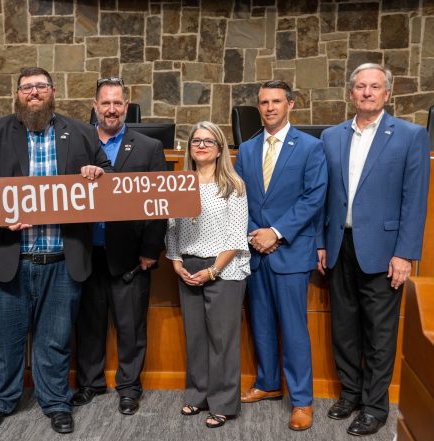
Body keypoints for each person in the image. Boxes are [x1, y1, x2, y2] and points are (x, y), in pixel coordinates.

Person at [0, 67, 111, 434]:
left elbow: (110, 182)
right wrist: (2, 218)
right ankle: (0, 401)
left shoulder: (80, 132)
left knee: (55, 339)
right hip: (8, 259)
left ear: (53, 91)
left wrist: (98, 173)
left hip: (63, 260)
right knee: (2, 340)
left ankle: (56, 402)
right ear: (17, 94)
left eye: (40, 87)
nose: (34, 93)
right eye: (27, 87)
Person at [317, 63, 430, 436]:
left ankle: (375, 406)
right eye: (361, 87)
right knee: (344, 328)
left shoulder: (411, 135)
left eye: (375, 87)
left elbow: (415, 200)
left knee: (380, 334)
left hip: (384, 250)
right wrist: (320, 242)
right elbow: (324, 197)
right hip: (339, 245)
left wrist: (404, 253)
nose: (367, 92)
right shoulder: (331, 137)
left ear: (387, 93)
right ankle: (350, 394)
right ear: (351, 94)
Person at [234, 80, 327, 431]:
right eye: (263, 102)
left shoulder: (310, 147)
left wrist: (275, 232)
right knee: (260, 323)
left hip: (290, 251)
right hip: (255, 251)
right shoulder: (246, 148)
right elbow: (239, 198)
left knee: (293, 328)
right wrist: (256, 232)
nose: (269, 107)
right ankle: (268, 382)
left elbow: (313, 198)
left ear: (290, 104)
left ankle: (302, 400)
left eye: (276, 101)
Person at [72, 77, 166, 416]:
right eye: (105, 103)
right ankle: (90, 383)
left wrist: (151, 251)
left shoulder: (148, 147)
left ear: (127, 106)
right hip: (84, 252)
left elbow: (160, 206)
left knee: (131, 326)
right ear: (95, 106)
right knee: (89, 325)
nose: (112, 109)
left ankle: (129, 387)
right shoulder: (76, 143)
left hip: (129, 255)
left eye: (118, 103)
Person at [166, 121, 250, 429]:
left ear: (219, 149)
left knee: (222, 339)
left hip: (224, 268)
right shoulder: (179, 183)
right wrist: (176, 261)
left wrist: (213, 270)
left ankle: (223, 403)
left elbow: (236, 236)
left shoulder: (233, 186)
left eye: (208, 141)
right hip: (188, 265)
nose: (201, 146)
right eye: (196, 141)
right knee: (196, 337)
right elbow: (172, 227)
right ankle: (197, 395)